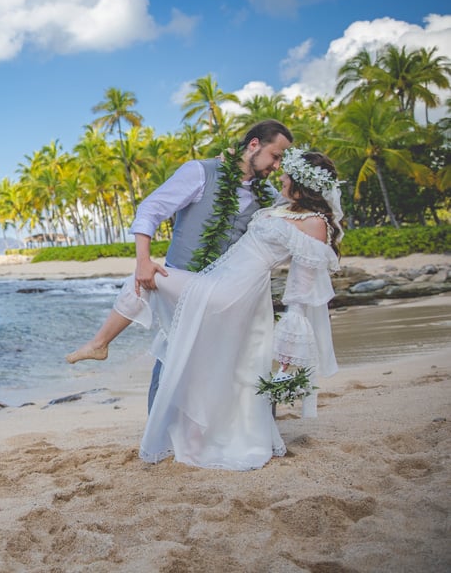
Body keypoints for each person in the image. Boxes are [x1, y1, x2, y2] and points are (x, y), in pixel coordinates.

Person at [127, 149, 343, 470]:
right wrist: (234, 160)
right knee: (218, 361)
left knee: (156, 289)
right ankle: (196, 433)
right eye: (277, 162)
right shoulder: (281, 203)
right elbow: (246, 178)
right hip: (225, 283)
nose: (279, 172)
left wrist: (289, 351)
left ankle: (101, 342)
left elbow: (302, 285)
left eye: (286, 171)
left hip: (239, 291)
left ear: (300, 182)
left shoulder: (314, 223)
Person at [67, 119, 294, 411]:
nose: (276, 166)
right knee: (172, 359)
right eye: (275, 156)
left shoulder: (267, 196)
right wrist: (143, 261)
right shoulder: (200, 172)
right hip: (183, 289)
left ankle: (252, 425)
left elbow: (293, 219)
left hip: (228, 295)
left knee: (242, 362)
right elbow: (151, 208)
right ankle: (160, 433)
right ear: (253, 144)